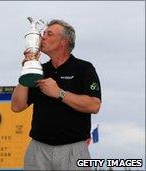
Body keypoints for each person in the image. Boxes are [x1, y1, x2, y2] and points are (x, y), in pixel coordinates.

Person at [11, 19, 102, 170]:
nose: (42, 37)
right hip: (38, 149)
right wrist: (27, 68)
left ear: (63, 42)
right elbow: (16, 106)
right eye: (43, 33)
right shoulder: (39, 69)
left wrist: (59, 93)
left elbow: (94, 105)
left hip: (74, 150)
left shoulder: (84, 68)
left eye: (49, 34)